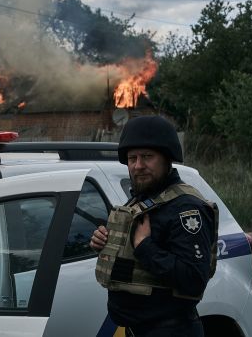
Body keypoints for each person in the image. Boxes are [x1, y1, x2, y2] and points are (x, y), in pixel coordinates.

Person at [90, 115, 218, 337]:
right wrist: (104, 242)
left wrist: (144, 246)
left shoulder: (186, 208)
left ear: (166, 158)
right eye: (133, 158)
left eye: (147, 157)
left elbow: (194, 280)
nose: (138, 166)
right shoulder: (143, 199)